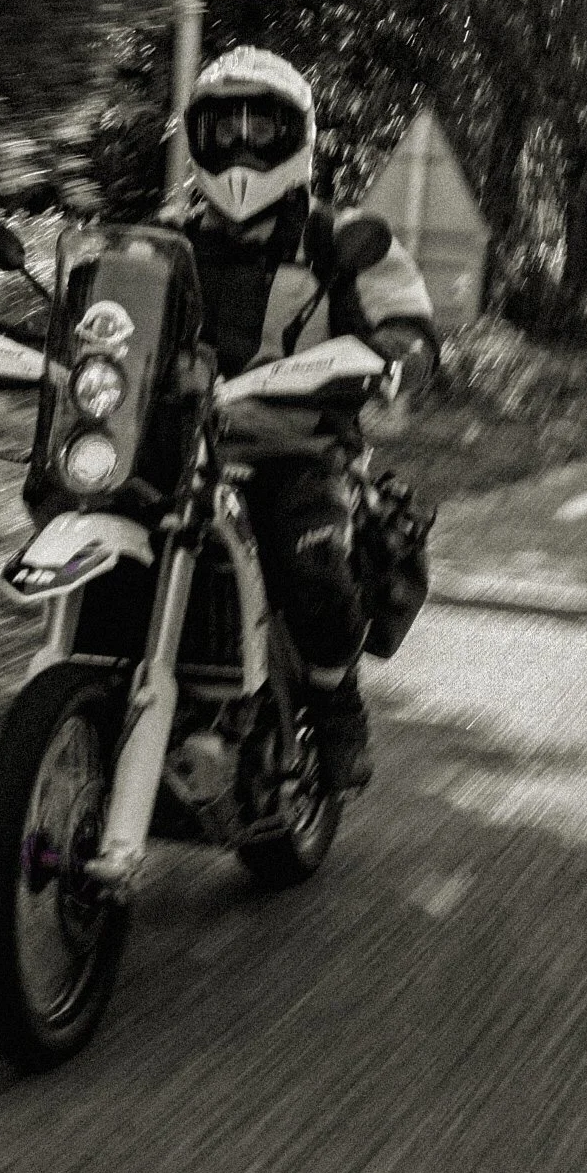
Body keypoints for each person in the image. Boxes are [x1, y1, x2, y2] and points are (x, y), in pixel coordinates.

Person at [172, 47, 438, 793]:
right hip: (180, 446)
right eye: (225, 128)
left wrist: (396, 356)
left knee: (307, 556)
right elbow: (107, 312)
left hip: (300, 447)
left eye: (264, 127)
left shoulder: (343, 238)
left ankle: (334, 699)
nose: (244, 146)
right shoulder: (168, 237)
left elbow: (407, 320)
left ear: (299, 138)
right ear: (198, 137)